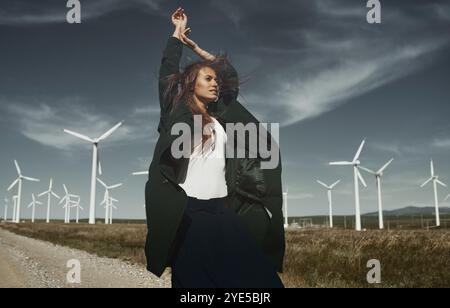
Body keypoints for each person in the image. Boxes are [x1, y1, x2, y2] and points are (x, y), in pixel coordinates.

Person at [144, 7, 285, 288]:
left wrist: (200, 51)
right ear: (190, 82)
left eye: (215, 80)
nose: (215, 84)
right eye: (208, 79)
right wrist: (177, 35)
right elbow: (167, 72)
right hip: (189, 214)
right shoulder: (177, 112)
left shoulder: (222, 118)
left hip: (224, 211)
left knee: (260, 282)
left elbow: (229, 80)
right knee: (197, 285)